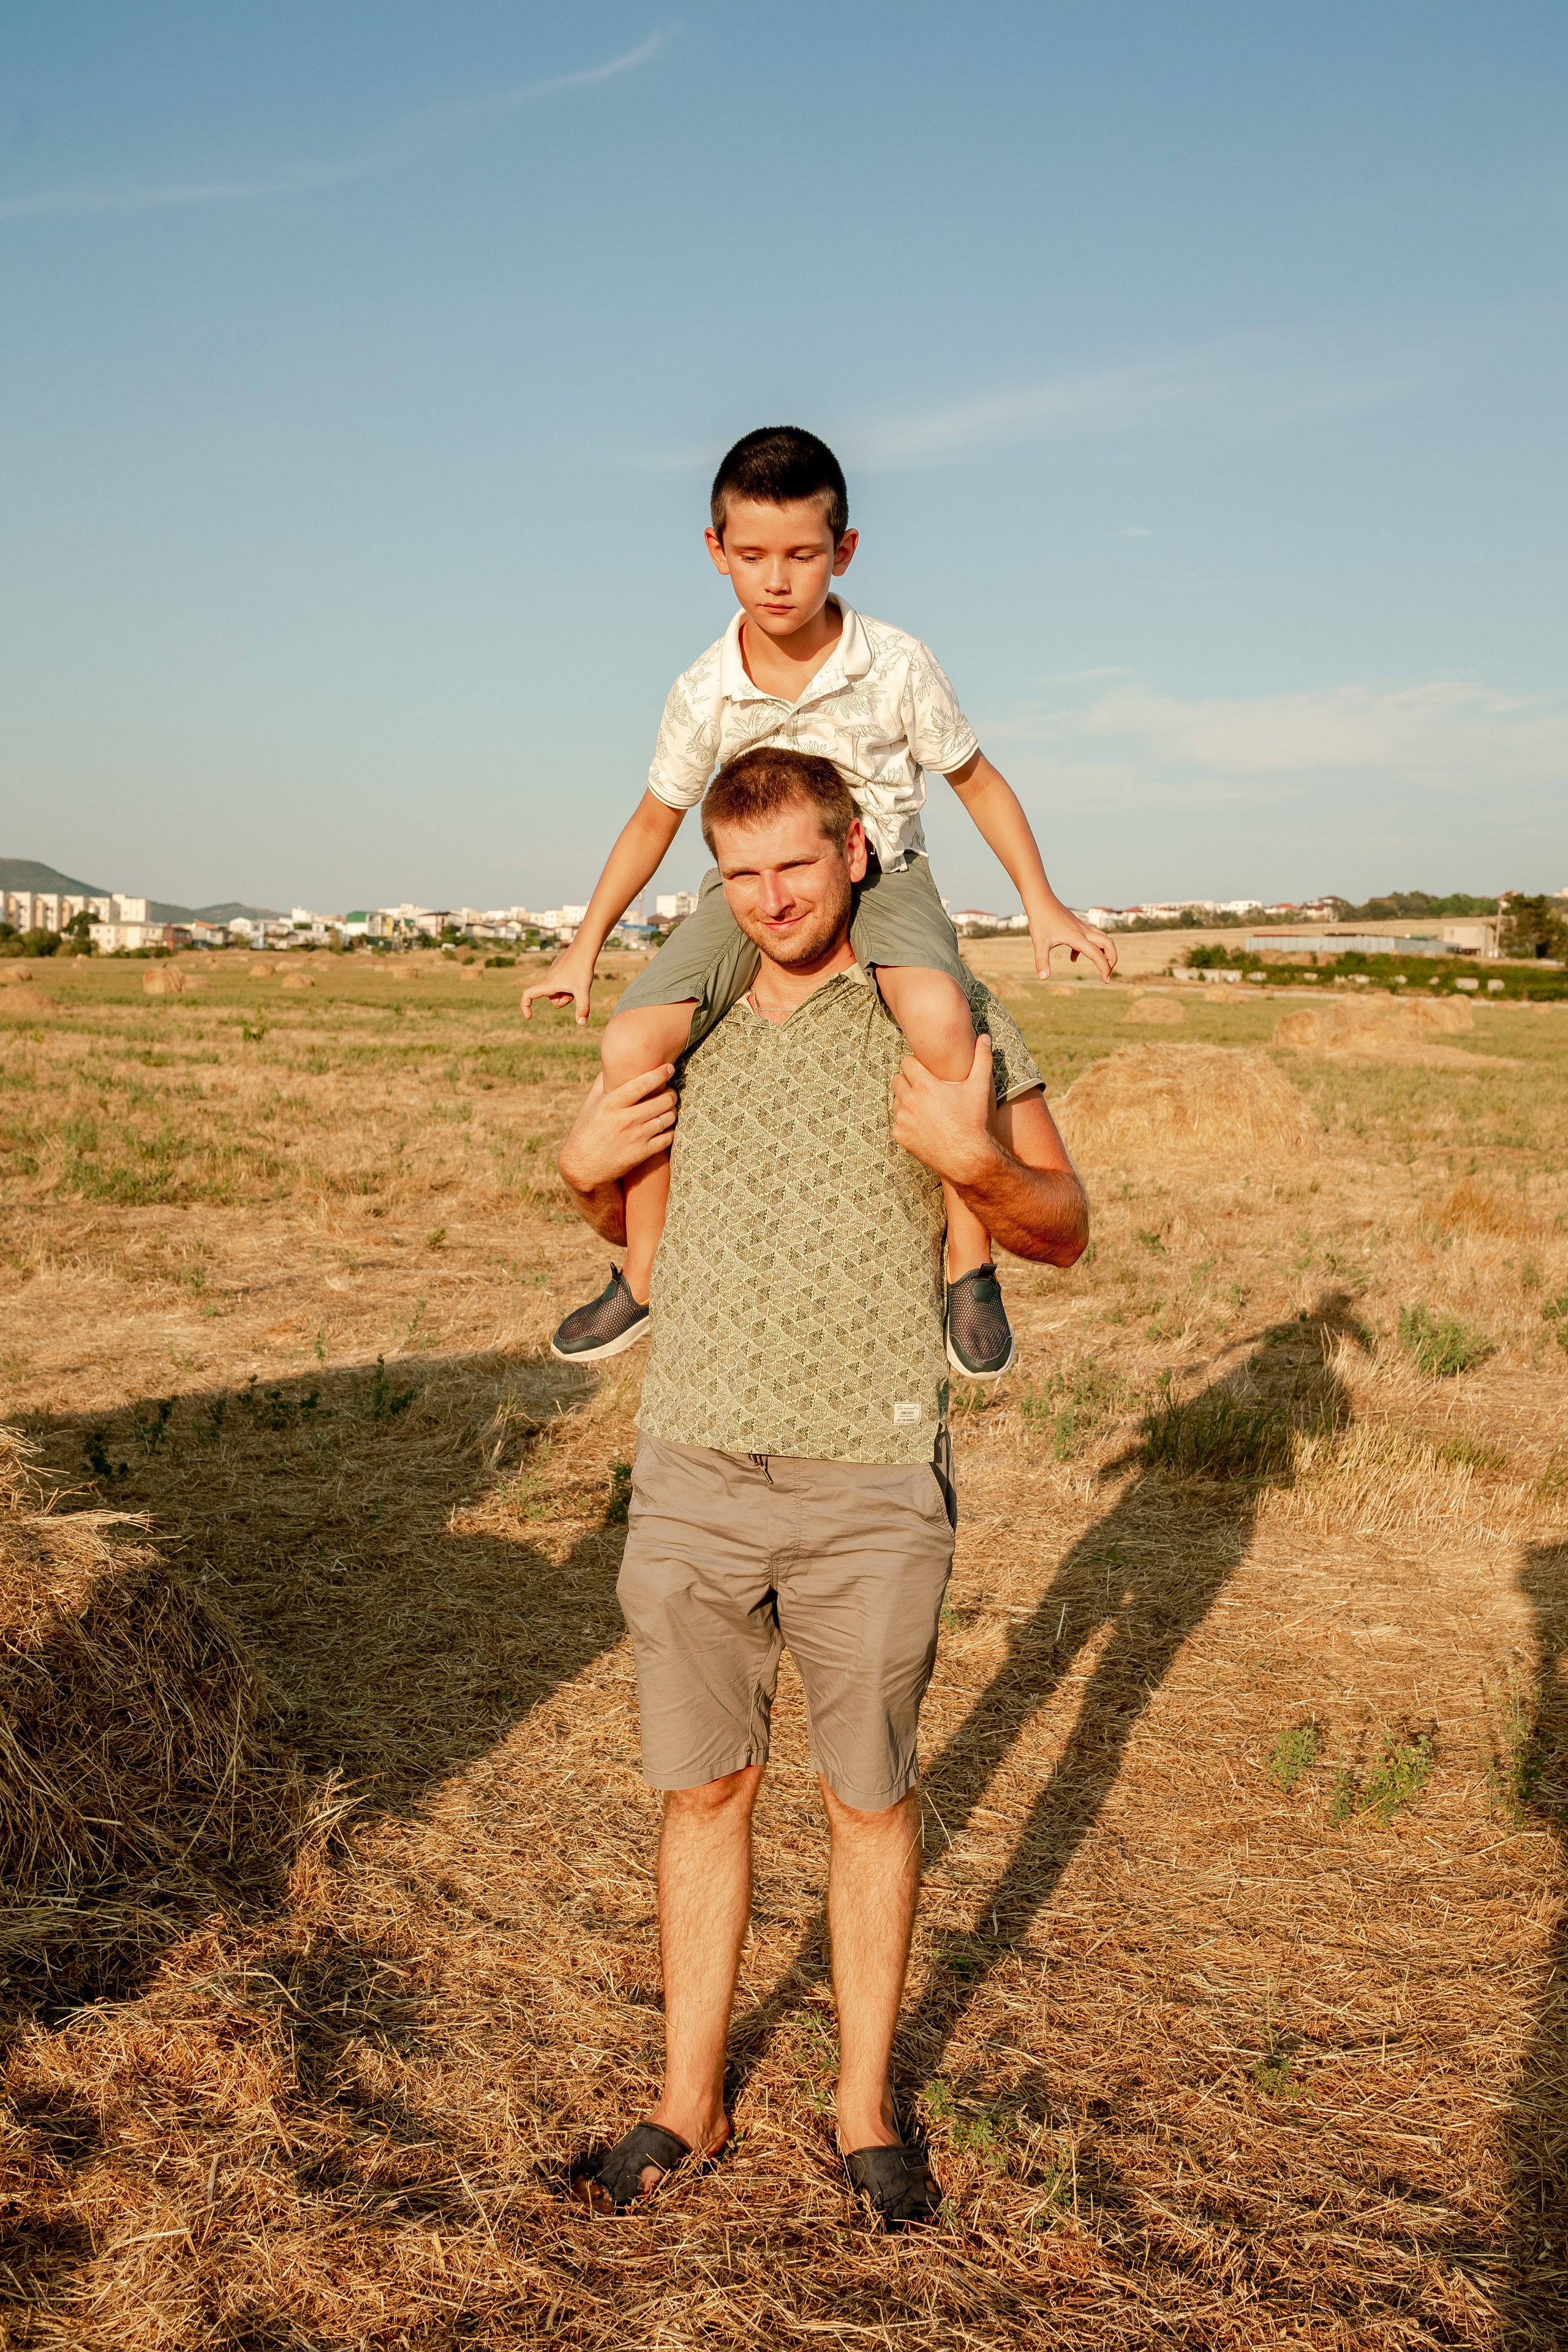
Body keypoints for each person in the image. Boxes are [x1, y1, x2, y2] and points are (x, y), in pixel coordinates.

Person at [556, 746, 1088, 2231]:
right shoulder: (693, 1021)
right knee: (702, 1789)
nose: (771, 898)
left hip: (870, 1478)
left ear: (856, 851)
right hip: (693, 1468)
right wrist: (578, 1171)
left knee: (867, 1797)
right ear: (712, 887)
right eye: (739, 876)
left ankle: (860, 2111)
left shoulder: (950, 1018)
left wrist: (975, 1160)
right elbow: (618, 1208)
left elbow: (1064, 1227)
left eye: (795, 864)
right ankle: (686, 2099)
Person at [527, 423, 1112, 1381]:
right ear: (715, 552)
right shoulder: (704, 690)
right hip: (751, 880)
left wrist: (1041, 902)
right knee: (630, 1045)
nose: (778, 579)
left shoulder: (896, 664)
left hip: (883, 870)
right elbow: (651, 822)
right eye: (753, 555)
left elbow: (977, 781)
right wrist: (582, 948)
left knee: (938, 1012)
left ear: (843, 550)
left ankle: (968, 1269)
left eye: (803, 554)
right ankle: (640, 1275)